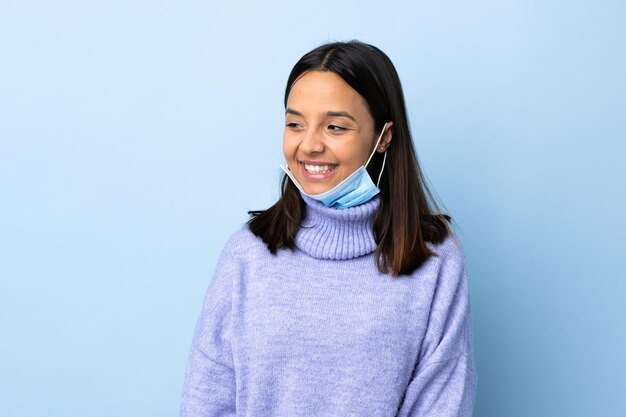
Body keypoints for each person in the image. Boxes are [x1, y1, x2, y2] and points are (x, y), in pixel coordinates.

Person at [180, 40, 477, 417]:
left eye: (335, 127)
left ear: (384, 136)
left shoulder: (434, 258)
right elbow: (206, 399)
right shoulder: (247, 253)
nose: (309, 145)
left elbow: (442, 403)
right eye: (295, 124)